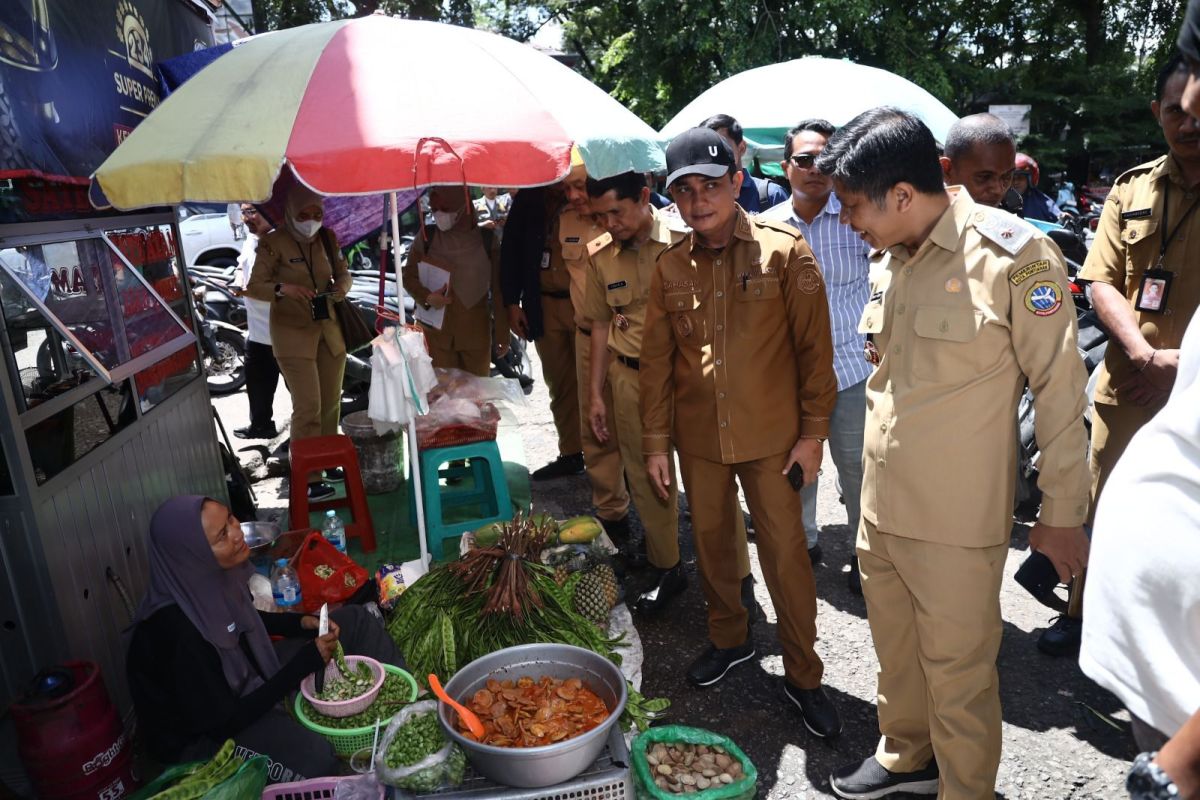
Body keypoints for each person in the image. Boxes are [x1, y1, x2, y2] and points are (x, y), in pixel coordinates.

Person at [817, 108, 1091, 800]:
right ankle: (909, 754)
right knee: (898, 658)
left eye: (853, 208)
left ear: (902, 196)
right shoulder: (894, 253)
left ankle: (965, 788)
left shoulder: (1016, 256)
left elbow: (1060, 390)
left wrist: (1061, 513)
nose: (848, 222)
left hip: (956, 523)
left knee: (960, 675)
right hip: (883, 510)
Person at [640, 127, 842, 737]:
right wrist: (654, 443)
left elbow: (816, 354)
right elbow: (656, 363)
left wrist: (813, 436)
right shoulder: (668, 265)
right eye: (685, 191)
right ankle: (731, 640)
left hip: (774, 443)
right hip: (699, 439)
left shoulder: (785, 252)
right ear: (673, 198)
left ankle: (805, 674)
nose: (699, 201)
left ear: (736, 183)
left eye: (711, 185)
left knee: (785, 556)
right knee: (714, 547)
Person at [1041, 53, 1200, 658]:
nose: (1188, 125)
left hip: (1196, 388)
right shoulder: (1131, 189)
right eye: (1174, 112)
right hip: (1130, 385)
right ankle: (1084, 618)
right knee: (1106, 503)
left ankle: (1173, 644)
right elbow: (1099, 281)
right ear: (1157, 112)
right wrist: (1143, 354)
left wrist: (1184, 368)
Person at [126, 495, 404, 781]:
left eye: (231, 520)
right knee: (316, 761)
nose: (236, 534)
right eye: (222, 535)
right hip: (207, 742)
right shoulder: (178, 635)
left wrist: (298, 623)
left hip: (243, 680)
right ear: (192, 555)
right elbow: (225, 721)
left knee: (355, 620)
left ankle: (406, 712)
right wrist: (301, 666)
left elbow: (241, 622)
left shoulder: (211, 579)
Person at [583, 171, 755, 615]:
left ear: (644, 197)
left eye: (616, 212)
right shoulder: (600, 254)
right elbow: (601, 324)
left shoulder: (689, 238)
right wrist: (595, 393)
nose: (609, 224)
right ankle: (667, 568)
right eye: (599, 216)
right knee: (646, 481)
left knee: (713, 481)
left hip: (691, 379)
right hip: (630, 379)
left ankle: (738, 578)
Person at [760, 118, 871, 594]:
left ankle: (866, 560)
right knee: (796, 471)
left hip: (850, 370)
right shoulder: (763, 230)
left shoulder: (858, 219)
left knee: (860, 473)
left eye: (824, 159)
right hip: (789, 380)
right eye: (804, 160)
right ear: (786, 168)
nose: (814, 169)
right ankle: (803, 545)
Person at [500, 154, 632, 538]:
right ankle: (580, 462)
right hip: (559, 312)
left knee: (622, 410)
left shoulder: (619, 212)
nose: (572, 193)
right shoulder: (539, 203)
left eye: (579, 185)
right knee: (567, 390)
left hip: (616, 329)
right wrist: (513, 301)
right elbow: (512, 249)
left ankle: (628, 485)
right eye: (567, 185)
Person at [247, 186, 352, 501]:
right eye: (304, 215)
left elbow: (343, 274)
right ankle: (308, 475)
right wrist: (284, 289)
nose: (311, 221)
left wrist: (341, 289)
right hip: (292, 334)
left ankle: (329, 456)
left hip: (328, 330)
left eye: (317, 214)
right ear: (291, 212)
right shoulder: (273, 243)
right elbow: (255, 287)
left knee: (332, 400)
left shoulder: (327, 238)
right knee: (308, 406)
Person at [403, 185, 507, 377]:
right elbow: (408, 276)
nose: (439, 214)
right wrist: (426, 297)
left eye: (444, 208)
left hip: (475, 337)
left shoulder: (486, 240)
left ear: (463, 204)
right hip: (436, 337)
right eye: (434, 210)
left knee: (475, 401)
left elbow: (498, 289)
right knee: (443, 401)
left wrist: (502, 331)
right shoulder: (427, 237)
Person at [232, 204, 281, 440]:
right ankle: (261, 425)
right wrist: (237, 279)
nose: (247, 219)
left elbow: (280, 288)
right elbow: (241, 265)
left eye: (252, 211)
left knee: (299, 389)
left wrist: (247, 291)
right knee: (257, 382)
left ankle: (305, 435)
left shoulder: (281, 243)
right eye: (244, 213)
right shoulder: (252, 240)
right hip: (258, 331)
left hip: (284, 330)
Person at [701, 114, 789, 213]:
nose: (714, 154)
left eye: (721, 147)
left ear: (742, 148)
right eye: (706, 149)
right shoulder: (697, 198)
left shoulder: (772, 195)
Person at [939, 113, 1017, 208]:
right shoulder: (920, 218)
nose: (998, 190)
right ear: (946, 170)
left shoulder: (1013, 214)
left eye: (1007, 177)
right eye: (984, 177)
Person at [1012, 153, 1062, 223]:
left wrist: (1062, 217)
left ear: (1030, 179)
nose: (1015, 182)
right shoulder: (999, 198)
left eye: (1020, 178)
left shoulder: (1041, 201)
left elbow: (1058, 215)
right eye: (1012, 178)